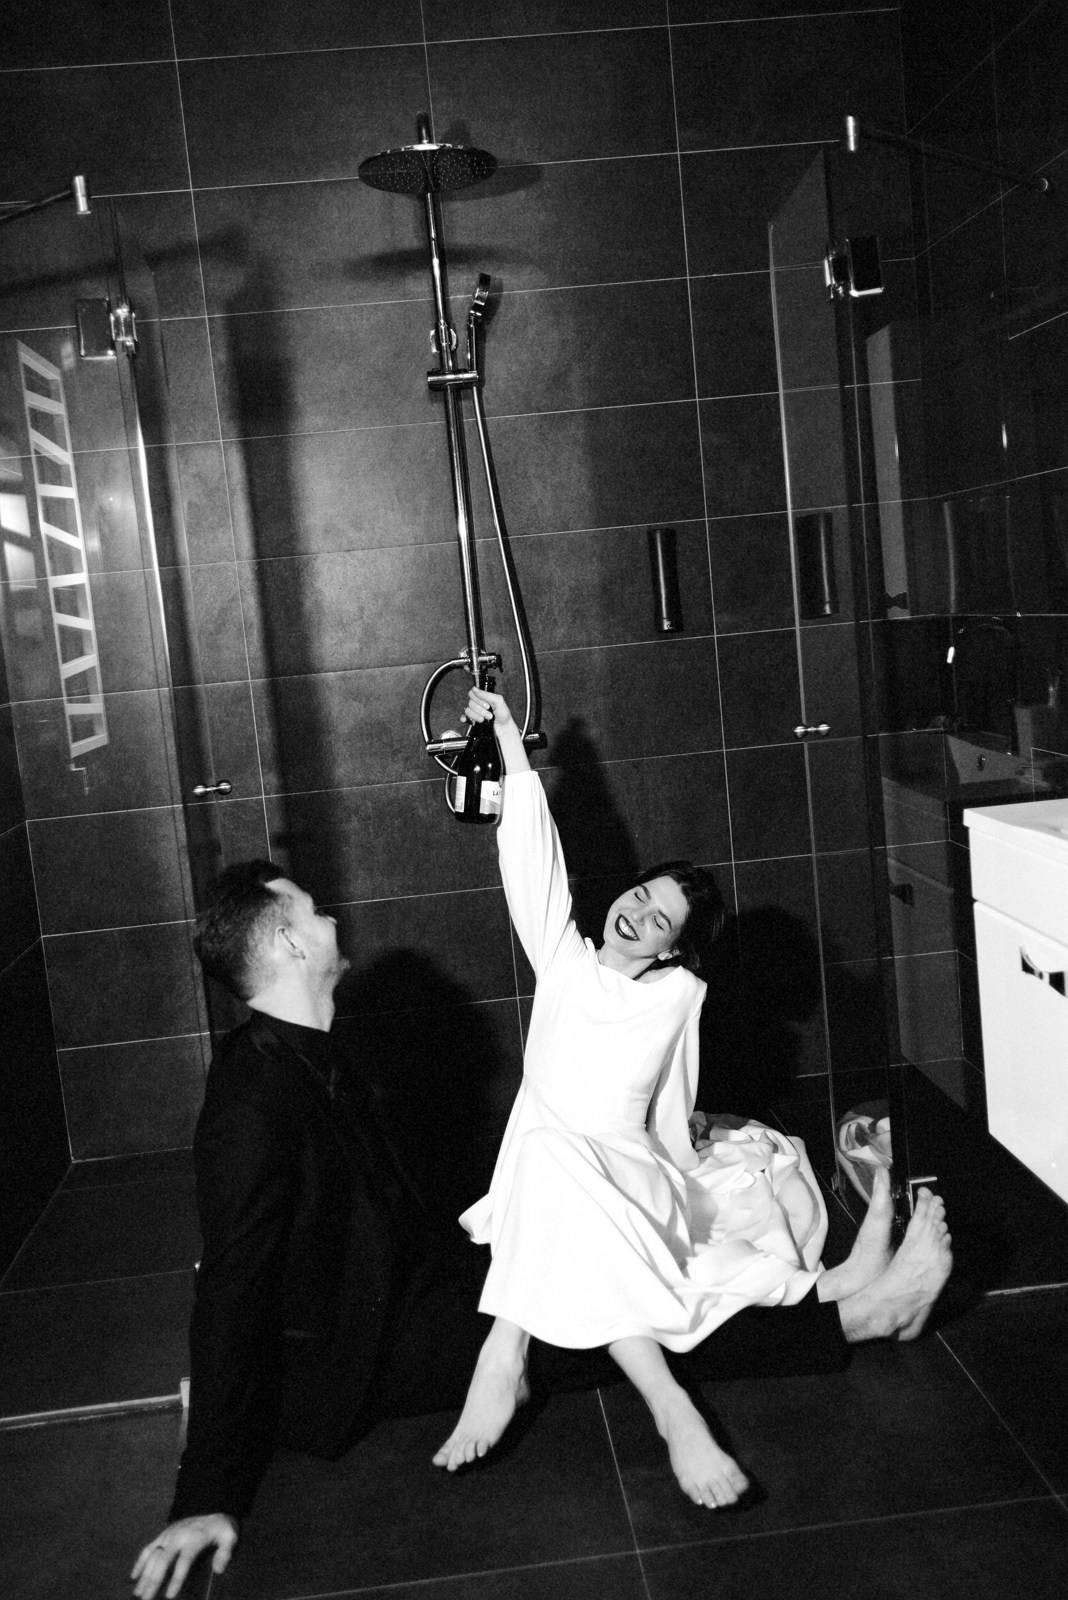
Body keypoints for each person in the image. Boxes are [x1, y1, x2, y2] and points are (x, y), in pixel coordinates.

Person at [432, 686, 953, 1510]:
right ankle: (675, 1406)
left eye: (660, 920)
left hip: (621, 1165)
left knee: (681, 1252)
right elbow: (531, 856)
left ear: (675, 949)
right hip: (551, 1166)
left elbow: (670, 1098)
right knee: (648, 1243)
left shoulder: (678, 996)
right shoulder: (564, 961)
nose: (637, 914)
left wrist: (684, 1159)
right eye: (640, 896)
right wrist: (508, 743)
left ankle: (507, 1356)